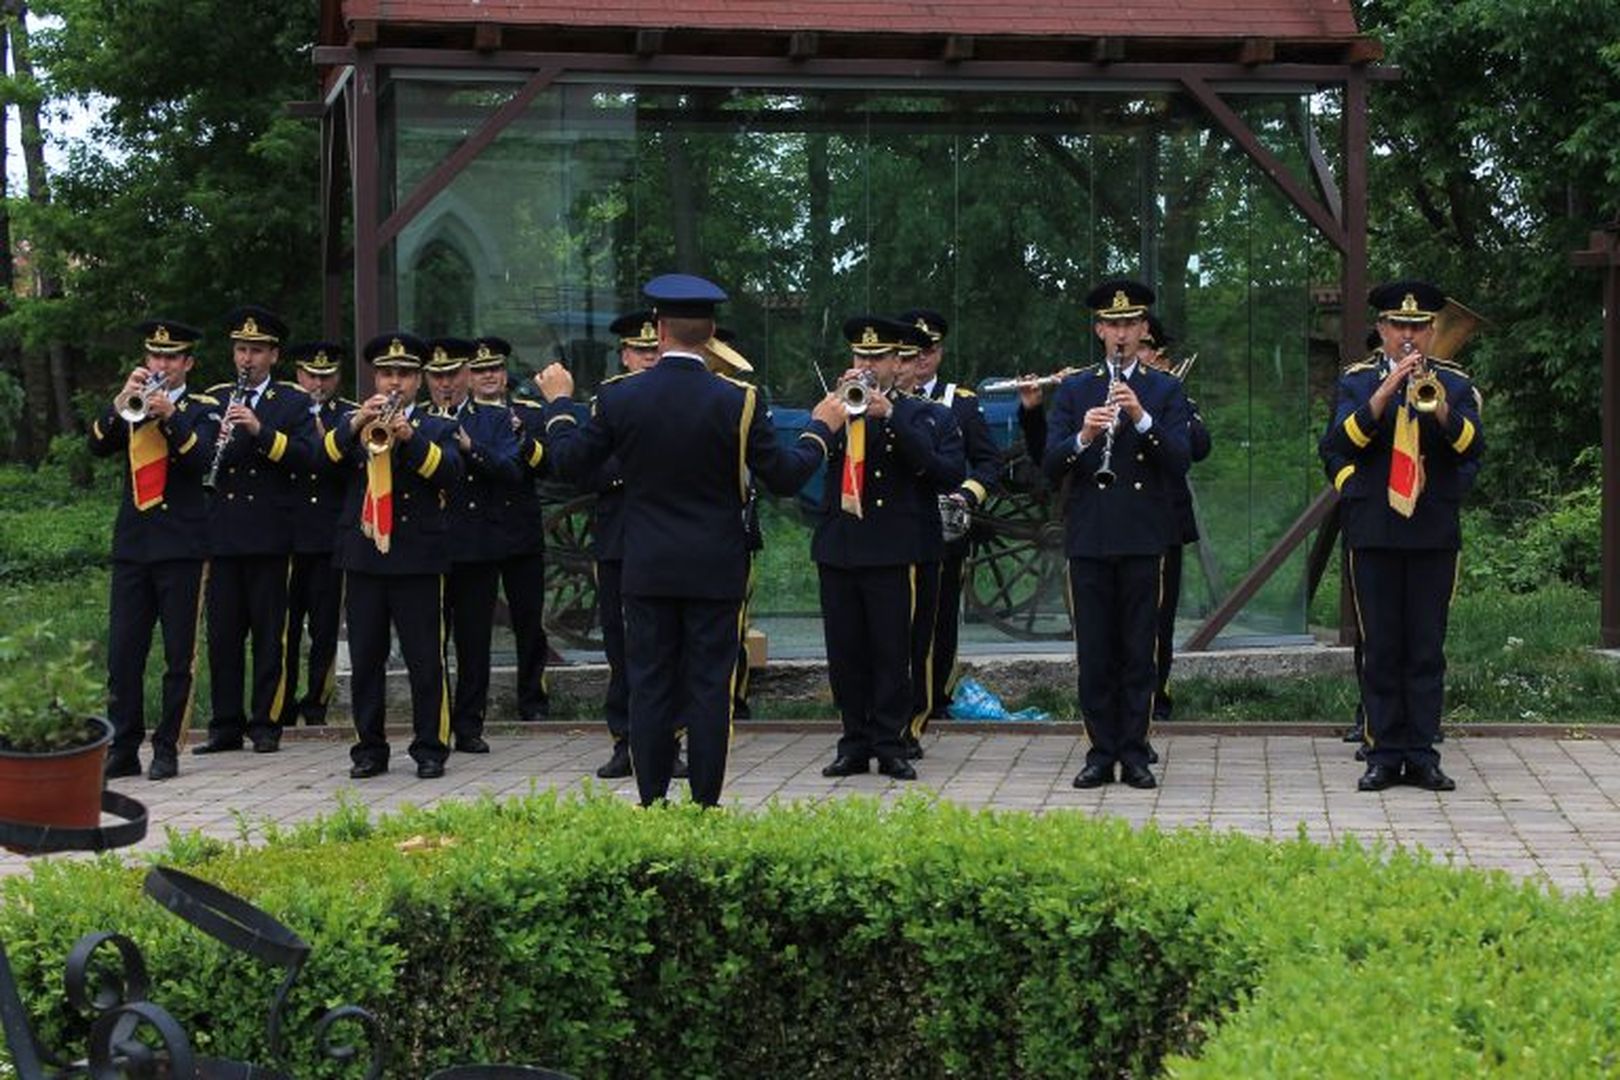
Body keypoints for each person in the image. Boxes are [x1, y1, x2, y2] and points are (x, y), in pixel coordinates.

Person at [536, 274, 845, 807]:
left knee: (649, 684)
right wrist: (821, 427)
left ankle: (652, 800)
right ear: (711, 333)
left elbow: (567, 462)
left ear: (659, 330)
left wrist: (560, 405)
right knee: (709, 688)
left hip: (647, 565)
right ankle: (705, 802)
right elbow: (785, 476)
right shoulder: (739, 400)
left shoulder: (618, 396)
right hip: (715, 566)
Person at [1318, 280, 1483, 792]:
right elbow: (1336, 445)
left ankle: (1422, 753)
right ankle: (1384, 753)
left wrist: (1440, 409)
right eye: (1397, 326)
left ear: (1431, 331)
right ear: (1382, 328)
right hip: (1375, 529)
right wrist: (1384, 395)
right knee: (1382, 647)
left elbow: (1472, 449)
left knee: (1426, 648)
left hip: (1432, 530)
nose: (1407, 336)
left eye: (1417, 327)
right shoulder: (1357, 381)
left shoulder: (1454, 384)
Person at [1044, 280, 1190, 790]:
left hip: (1143, 537)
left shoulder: (1164, 390)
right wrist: (1084, 435)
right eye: (1113, 325)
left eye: (1130, 324)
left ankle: (1135, 751)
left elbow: (1180, 459)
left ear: (1143, 328)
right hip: (1089, 536)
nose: (1122, 334)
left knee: (1139, 651)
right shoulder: (1076, 389)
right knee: (1095, 654)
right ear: (1099, 330)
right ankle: (1100, 752)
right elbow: (1050, 464)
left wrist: (1141, 418)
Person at [814, 316, 965, 782]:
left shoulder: (924, 415)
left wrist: (891, 418)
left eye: (878, 357)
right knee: (846, 653)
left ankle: (891, 741)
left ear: (899, 363)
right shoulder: (836, 408)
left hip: (897, 551)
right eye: (861, 356)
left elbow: (946, 473)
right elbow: (806, 458)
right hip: (841, 548)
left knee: (894, 650)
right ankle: (853, 743)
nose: (868, 365)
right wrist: (831, 414)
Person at [327, 332, 464, 779]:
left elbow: (450, 474)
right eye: (387, 373)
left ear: (419, 381)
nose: (394, 382)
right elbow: (319, 461)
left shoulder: (437, 425)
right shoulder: (353, 423)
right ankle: (369, 749)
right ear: (375, 378)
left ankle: (430, 749)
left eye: (404, 374)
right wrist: (353, 425)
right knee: (366, 660)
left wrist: (410, 437)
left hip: (418, 557)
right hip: (364, 555)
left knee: (425, 659)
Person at [88, 320, 219, 781]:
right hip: (134, 545)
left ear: (187, 363)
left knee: (178, 656)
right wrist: (119, 403)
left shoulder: (202, 409)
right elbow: (96, 445)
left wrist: (171, 416)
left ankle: (167, 747)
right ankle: (123, 747)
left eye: (171, 357)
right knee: (123, 654)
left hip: (181, 547)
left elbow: (204, 460)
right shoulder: (131, 404)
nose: (162, 364)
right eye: (155, 356)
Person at [195, 306, 317, 757]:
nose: (248, 358)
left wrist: (260, 430)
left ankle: (267, 723)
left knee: (270, 636)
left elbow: (307, 458)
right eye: (242, 350)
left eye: (257, 351)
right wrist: (216, 441)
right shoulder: (214, 398)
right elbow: (198, 458)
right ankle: (225, 725)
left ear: (274, 355)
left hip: (271, 534)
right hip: (223, 533)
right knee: (223, 636)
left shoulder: (293, 401)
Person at [897, 308, 1001, 746]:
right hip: (896, 522)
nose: (921, 358)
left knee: (939, 616)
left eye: (930, 349)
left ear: (940, 352)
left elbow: (989, 462)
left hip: (944, 523)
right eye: (911, 351)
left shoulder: (961, 401)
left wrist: (966, 496)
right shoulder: (882, 397)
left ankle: (935, 694)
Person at [426, 337, 522, 754]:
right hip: (428, 547)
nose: (445, 384)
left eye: (452, 375)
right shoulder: (416, 419)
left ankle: (468, 725)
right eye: (437, 376)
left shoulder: (492, 419)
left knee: (473, 642)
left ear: (467, 375)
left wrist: (471, 447)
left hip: (477, 545)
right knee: (429, 644)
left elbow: (512, 470)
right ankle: (435, 724)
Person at [471, 336, 552, 724]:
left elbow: (548, 465)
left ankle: (533, 702)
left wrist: (523, 436)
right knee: (475, 628)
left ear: (505, 374)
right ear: (469, 376)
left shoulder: (529, 414)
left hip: (521, 532)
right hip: (477, 534)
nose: (489, 376)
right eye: (480, 370)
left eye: (495, 369)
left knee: (530, 623)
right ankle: (474, 706)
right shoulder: (461, 417)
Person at [1137, 317, 1212, 729]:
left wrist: (1171, 400)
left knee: (1159, 616)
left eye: (1146, 346)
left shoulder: (1172, 394)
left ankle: (1156, 694)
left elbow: (1199, 447)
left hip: (1165, 519)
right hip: (1118, 517)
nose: (1139, 353)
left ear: (1159, 355)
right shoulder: (1102, 389)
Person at [283, 340, 354, 727]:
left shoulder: (350, 416)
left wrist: (332, 443)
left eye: (326, 376)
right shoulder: (285, 410)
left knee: (325, 628)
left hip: (329, 537)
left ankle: (316, 703)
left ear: (337, 377)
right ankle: (280, 702)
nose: (318, 383)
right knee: (285, 628)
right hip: (289, 536)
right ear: (299, 375)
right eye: (311, 375)